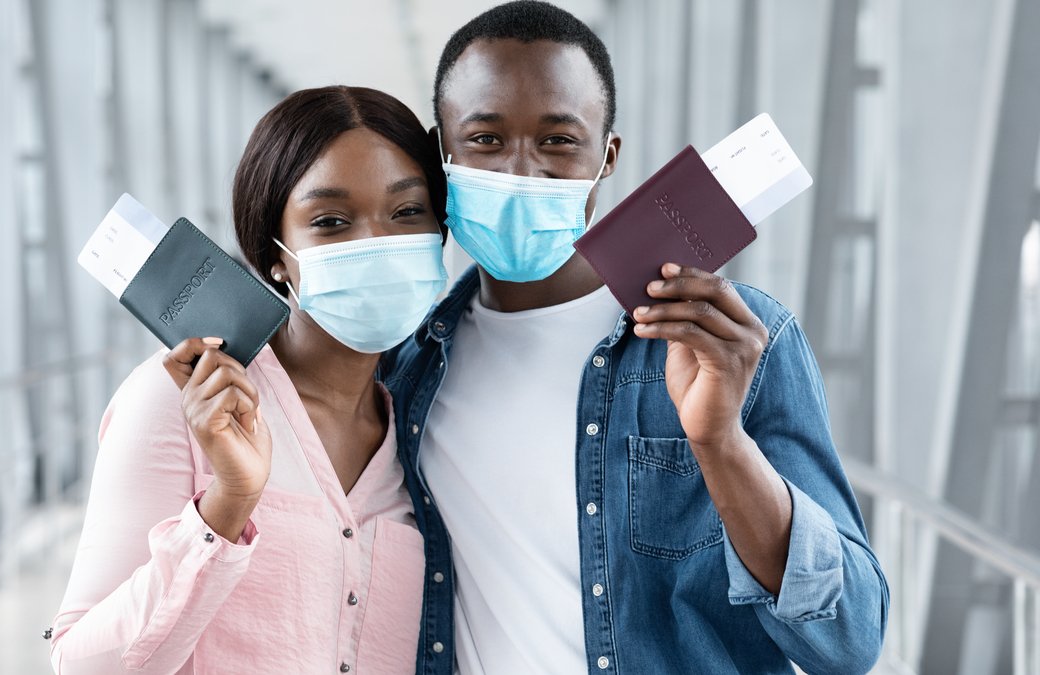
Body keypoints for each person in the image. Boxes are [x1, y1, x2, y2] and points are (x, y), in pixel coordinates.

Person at [385, 2, 890, 674]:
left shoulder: (734, 340)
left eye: (559, 141)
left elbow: (851, 637)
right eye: (485, 139)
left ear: (607, 156)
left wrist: (720, 442)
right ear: (440, 150)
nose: (521, 171)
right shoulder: (405, 361)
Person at [49, 85, 448, 674]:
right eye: (331, 221)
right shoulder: (180, 400)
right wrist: (226, 505)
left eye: (407, 211)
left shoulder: (424, 421)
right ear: (275, 256)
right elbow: (82, 666)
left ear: (442, 229)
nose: (378, 243)